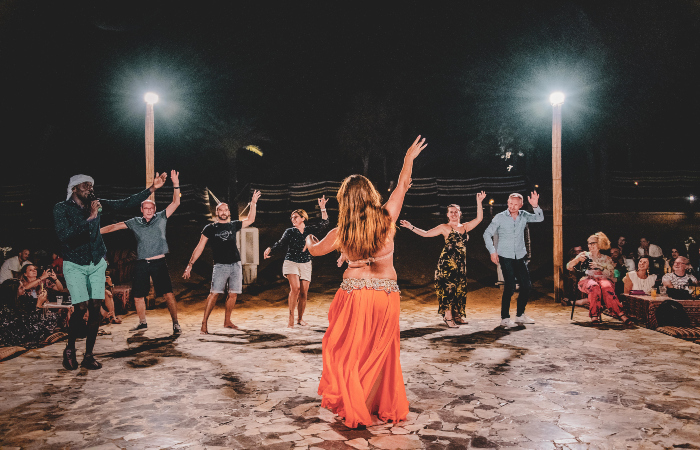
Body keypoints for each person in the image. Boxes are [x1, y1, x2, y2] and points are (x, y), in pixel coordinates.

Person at [304, 135, 427, 429]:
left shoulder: (341, 231)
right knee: (380, 353)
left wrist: (308, 239)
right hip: (385, 295)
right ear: (371, 194)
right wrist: (408, 159)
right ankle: (367, 405)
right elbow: (402, 186)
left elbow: (315, 250)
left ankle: (355, 404)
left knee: (351, 351)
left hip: (353, 296)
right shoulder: (386, 217)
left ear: (344, 200)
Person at [54, 173, 166, 370]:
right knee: (81, 308)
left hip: (96, 262)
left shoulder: (96, 204)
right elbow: (65, 236)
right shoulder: (61, 208)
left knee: (95, 306)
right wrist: (90, 218)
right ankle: (70, 348)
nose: (90, 189)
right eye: (85, 186)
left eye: (91, 185)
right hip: (75, 263)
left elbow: (124, 203)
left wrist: (152, 188)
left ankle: (89, 355)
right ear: (74, 189)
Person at [100, 170, 182, 334]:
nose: (149, 210)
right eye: (146, 208)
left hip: (159, 262)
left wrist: (175, 184)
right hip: (142, 263)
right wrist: (96, 232)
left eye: (151, 208)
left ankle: (175, 323)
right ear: (141, 209)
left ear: (155, 209)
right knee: (138, 295)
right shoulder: (135, 222)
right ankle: (142, 322)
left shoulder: (161, 217)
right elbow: (115, 226)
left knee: (168, 294)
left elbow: (176, 202)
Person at [399, 192, 486, 327]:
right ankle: (448, 317)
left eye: (456, 212)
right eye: (451, 212)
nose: (454, 214)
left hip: (460, 265)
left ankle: (456, 315)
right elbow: (426, 234)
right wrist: (411, 226)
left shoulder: (465, 227)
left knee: (459, 290)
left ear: (460, 213)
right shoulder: (444, 227)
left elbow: (479, 219)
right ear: (447, 215)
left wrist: (479, 202)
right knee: (448, 290)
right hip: (447, 264)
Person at [183, 190, 261, 334]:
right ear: (217, 212)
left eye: (226, 210)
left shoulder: (233, 225)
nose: (223, 212)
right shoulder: (210, 228)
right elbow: (199, 247)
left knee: (233, 294)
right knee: (214, 294)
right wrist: (190, 265)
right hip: (220, 266)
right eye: (220, 210)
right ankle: (204, 323)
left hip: (236, 264)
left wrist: (253, 203)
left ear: (229, 212)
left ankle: (227, 321)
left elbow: (250, 219)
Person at [264, 197, 330, 328]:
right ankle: (291, 318)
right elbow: (280, 243)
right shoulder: (290, 231)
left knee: (304, 293)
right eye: (292, 218)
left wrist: (323, 208)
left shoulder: (309, 230)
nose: (293, 219)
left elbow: (324, 223)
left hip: (306, 263)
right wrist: (270, 249)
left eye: (295, 217)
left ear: (303, 218)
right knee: (295, 288)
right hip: (291, 262)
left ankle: (300, 319)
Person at [483, 192, 543, 328]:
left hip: (520, 256)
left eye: (515, 204)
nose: (512, 206)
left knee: (526, 286)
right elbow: (487, 234)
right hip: (505, 256)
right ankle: (505, 318)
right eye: (510, 203)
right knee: (509, 286)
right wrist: (492, 251)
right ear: (507, 202)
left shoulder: (524, 215)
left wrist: (535, 206)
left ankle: (520, 315)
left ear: (521, 205)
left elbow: (539, 218)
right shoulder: (500, 217)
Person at [567, 232, 632, 325]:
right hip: (587, 279)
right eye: (589, 243)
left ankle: (620, 314)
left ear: (599, 244)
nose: (590, 246)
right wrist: (577, 260)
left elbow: (611, 274)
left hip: (603, 279)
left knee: (607, 287)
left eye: (592, 243)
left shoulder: (606, 258)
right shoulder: (584, 255)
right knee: (594, 286)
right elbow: (569, 266)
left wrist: (599, 267)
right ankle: (594, 315)